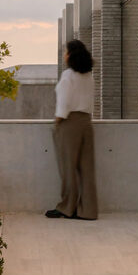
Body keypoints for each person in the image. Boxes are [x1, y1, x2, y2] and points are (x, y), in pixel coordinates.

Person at [46, 39, 98, 220]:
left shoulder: (68, 75)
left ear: (70, 55)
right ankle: (88, 210)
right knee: (87, 169)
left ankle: (67, 207)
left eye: (65, 51)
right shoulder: (88, 76)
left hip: (69, 123)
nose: (63, 55)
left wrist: (57, 121)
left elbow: (64, 103)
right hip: (86, 122)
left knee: (68, 167)